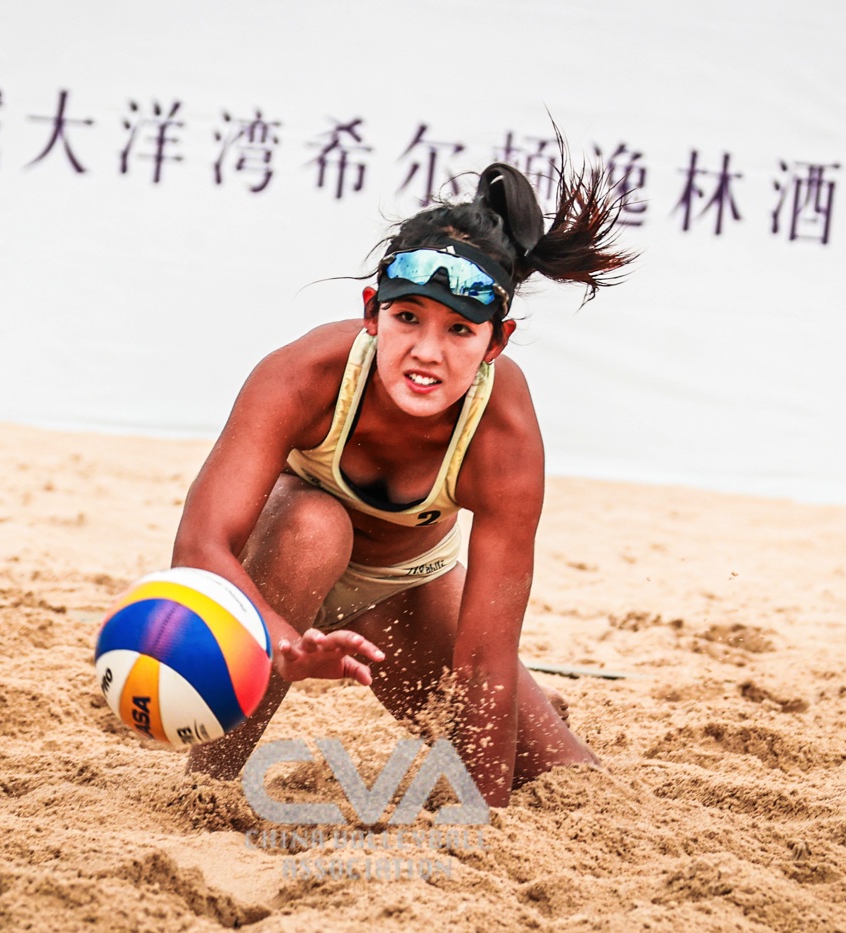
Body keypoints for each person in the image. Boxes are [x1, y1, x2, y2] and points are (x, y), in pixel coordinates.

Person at [171, 150, 631, 807]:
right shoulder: (305, 373)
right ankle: (207, 789)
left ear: (495, 343)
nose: (426, 353)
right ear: (373, 313)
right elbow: (200, 548)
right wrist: (283, 642)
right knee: (313, 525)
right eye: (407, 317)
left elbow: (484, 658)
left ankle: (537, 719)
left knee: (564, 780)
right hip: (274, 575)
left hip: (404, 587)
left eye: (459, 330)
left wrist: (486, 825)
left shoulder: (502, 430)